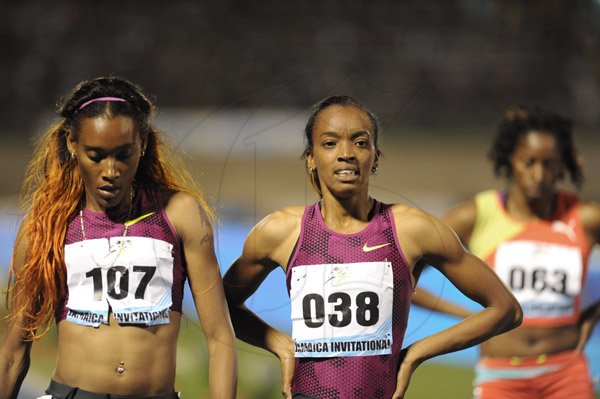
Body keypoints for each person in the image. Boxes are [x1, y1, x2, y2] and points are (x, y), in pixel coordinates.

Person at [223, 95, 522, 399]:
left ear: (376, 157)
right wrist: (281, 345)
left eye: (360, 143)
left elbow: (506, 309)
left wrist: (417, 353)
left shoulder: (411, 229)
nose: (346, 154)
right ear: (310, 158)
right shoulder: (281, 231)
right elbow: (221, 305)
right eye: (330, 143)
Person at [0, 76, 237, 399]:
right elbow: (13, 352)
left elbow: (220, 337)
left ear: (142, 143)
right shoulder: (46, 226)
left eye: (123, 154)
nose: (110, 171)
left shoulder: (181, 214)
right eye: (95, 155)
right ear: (72, 144)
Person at [442, 106, 600, 398]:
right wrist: (462, 314)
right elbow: (405, 266)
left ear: (561, 166)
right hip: (500, 376)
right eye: (529, 162)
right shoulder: (476, 216)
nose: (539, 174)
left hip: (567, 374)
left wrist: (592, 314)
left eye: (549, 164)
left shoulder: (584, 217)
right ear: (509, 160)